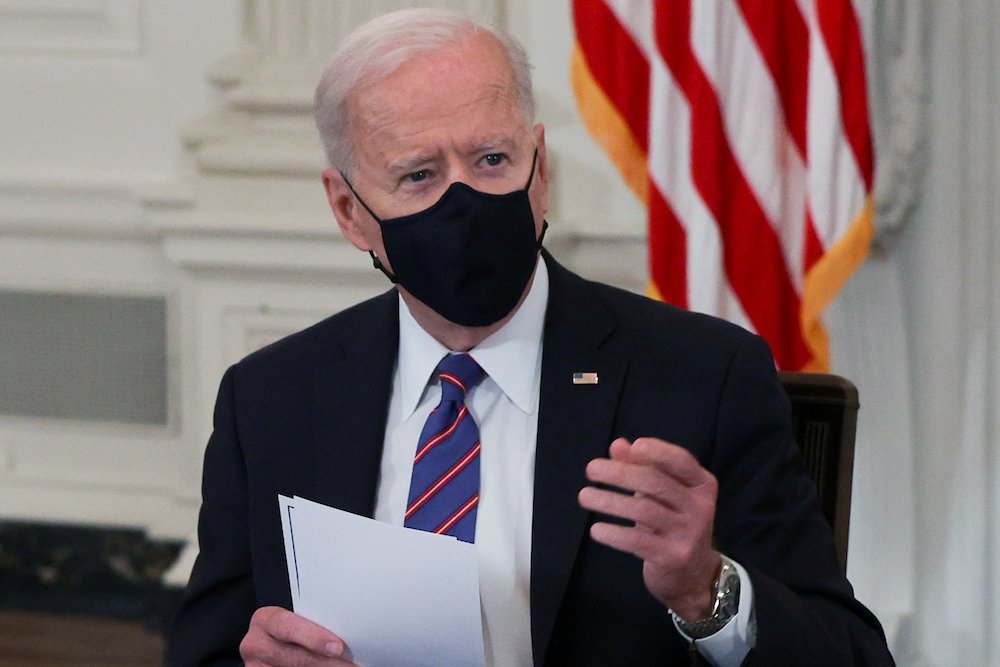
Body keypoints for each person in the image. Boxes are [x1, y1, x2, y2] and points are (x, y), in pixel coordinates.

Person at [165, 8, 894, 667]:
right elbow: (210, 650)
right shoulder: (272, 399)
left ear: (539, 169)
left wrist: (708, 589)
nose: (464, 200)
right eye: (419, 175)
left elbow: (852, 655)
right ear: (348, 211)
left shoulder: (702, 375)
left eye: (491, 161)